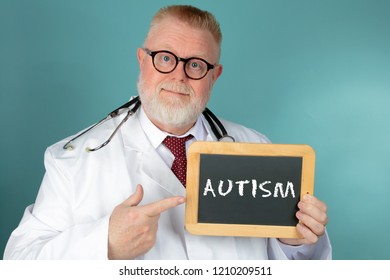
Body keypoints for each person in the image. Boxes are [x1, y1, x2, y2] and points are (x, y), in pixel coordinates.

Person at [4, 5, 331, 260]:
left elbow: (295, 264)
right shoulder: (74, 161)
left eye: (195, 65)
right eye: (164, 58)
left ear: (214, 76)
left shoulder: (257, 149)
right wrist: (104, 243)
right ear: (142, 61)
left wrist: (294, 242)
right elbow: (19, 262)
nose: (178, 76)